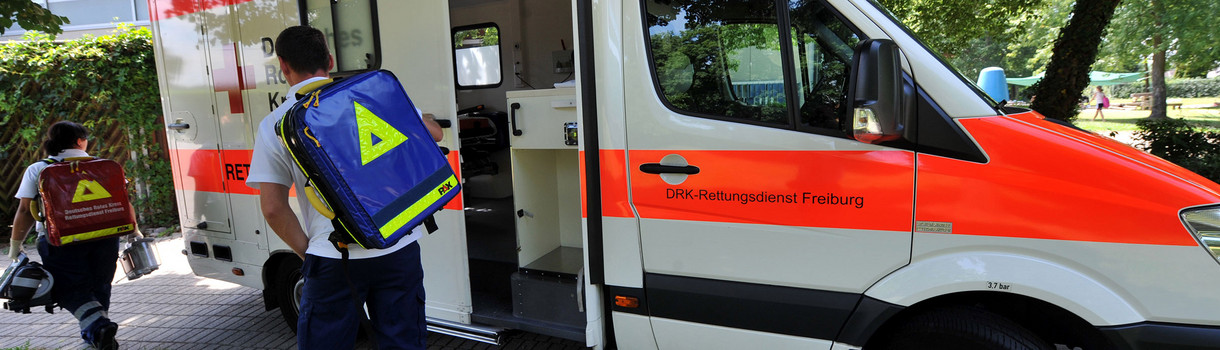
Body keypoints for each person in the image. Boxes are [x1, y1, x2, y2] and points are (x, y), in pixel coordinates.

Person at [246, 26, 442, 350]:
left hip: (334, 255)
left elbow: (273, 207)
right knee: (404, 342)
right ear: (331, 60)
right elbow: (433, 134)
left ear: (283, 65)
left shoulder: (276, 123)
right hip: (398, 244)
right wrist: (426, 116)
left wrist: (308, 254)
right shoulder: (372, 95)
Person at [9, 121, 120, 350]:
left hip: (60, 240)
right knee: (100, 285)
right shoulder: (103, 165)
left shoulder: (38, 169)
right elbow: (121, 202)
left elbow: (24, 211)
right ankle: (97, 333)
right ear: (80, 141)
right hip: (105, 237)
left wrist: (15, 244)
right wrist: (134, 230)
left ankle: (98, 327)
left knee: (69, 289)